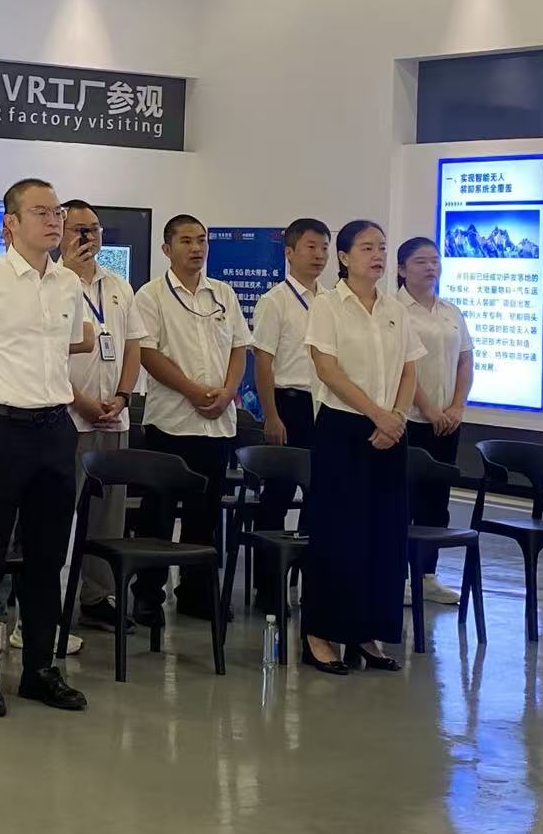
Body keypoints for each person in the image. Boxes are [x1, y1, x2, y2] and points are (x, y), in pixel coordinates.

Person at [0, 177, 92, 717]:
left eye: (58, 213)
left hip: (55, 429)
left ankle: (40, 670)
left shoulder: (68, 284)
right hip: (2, 427)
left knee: (47, 557)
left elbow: (69, 348)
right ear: (11, 223)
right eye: (42, 212)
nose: (54, 221)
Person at [301, 219, 424, 674]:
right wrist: (377, 414)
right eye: (368, 248)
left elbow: (410, 369)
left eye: (383, 248)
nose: (377, 256)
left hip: (391, 430)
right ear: (345, 256)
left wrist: (396, 418)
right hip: (344, 429)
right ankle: (319, 634)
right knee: (339, 535)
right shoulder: (328, 305)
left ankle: (367, 634)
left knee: (383, 536)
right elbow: (327, 369)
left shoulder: (395, 309)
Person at [130, 214, 251, 624]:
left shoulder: (223, 294)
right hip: (170, 422)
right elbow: (148, 354)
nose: (196, 248)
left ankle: (197, 593)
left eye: (201, 240)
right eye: (186, 241)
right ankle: (148, 594)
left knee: (206, 513)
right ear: (167, 249)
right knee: (158, 514)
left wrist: (228, 391)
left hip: (217, 423)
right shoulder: (151, 296)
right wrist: (193, 391)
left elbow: (239, 348)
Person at [60, 200, 143, 635]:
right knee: (59, 511)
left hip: (113, 418)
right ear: (59, 233)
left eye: (93, 229)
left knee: (108, 515)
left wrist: (123, 396)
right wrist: (81, 402)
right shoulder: (53, 284)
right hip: (67, 418)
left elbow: (133, 346)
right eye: (78, 229)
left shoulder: (119, 286)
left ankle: (97, 597)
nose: (87, 237)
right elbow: (44, 355)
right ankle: (42, 596)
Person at [394, 235, 474, 607]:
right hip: (411, 419)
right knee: (405, 499)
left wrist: (457, 406)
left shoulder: (450, 311)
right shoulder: (395, 310)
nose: (430, 268)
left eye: (435, 261)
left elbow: (465, 360)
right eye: (421, 261)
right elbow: (402, 367)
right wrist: (427, 409)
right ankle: (398, 576)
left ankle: (427, 575)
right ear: (402, 269)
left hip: (448, 421)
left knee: (437, 501)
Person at [252, 218, 330, 475]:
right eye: (311, 247)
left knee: (320, 484)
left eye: (324, 248)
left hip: (325, 402)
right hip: (289, 402)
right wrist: (271, 416)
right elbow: (263, 362)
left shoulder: (331, 301)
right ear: (289, 252)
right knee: (280, 486)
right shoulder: (274, 301)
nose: (319, 255)